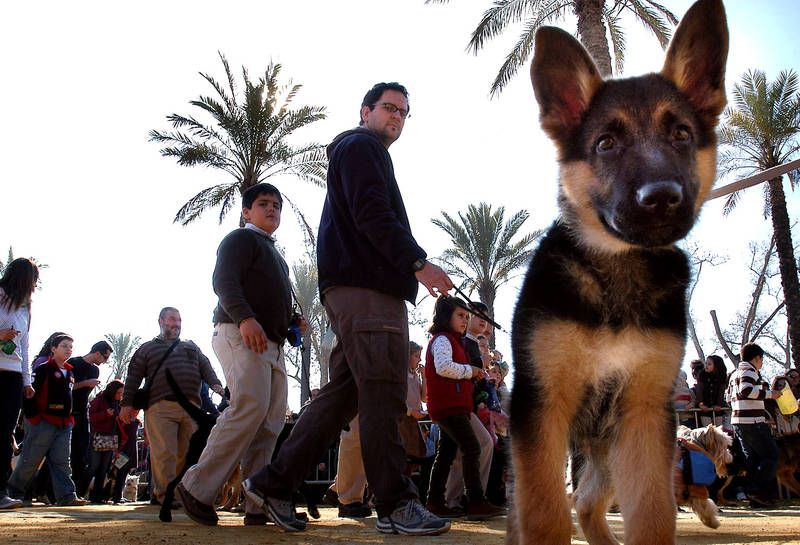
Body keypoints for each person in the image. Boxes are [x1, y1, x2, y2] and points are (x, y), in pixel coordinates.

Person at [243, 82, 453, 536]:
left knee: (344, 395)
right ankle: (396, 504)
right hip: (368, 289)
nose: (396, 117)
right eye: (389, 108)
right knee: (383, 392)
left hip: (356, 289)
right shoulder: (362, 147)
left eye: (403, 112)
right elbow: (372, 213)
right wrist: (418, 263)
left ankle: (273, 483)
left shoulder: (359, 151)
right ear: (365, 111)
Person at [178, 182, 301, 527]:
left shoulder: (274, 253)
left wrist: (292, 320)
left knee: (271, 421)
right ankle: (196, 488)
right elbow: (224, 281)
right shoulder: (240, 239)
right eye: (264, 203)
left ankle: (257, 502)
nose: (272, 209)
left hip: (271, 343)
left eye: (277, 205)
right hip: (239, 332)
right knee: (249, 407)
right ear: (246, 212)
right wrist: (245, 318)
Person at [119, 307, 223, 506]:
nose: (177, 324)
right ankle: (164, 495)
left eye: (179, 320)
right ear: (161, 321)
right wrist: (126, 404)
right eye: (172, 319)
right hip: (160, 406)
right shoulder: (147, 348)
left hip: (192, 407)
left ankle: (178, 494)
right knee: (165, 453)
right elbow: (133, 377)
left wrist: (216, 385)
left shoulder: (191, 346)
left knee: (187, 454)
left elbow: (206, 367)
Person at [424, 295, 504, 520]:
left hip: (453, 406)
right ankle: (475, 501)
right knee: (471, 448)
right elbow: (443, 367)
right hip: (448, 405)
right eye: (460, 315)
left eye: (466, 316)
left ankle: (435, 501)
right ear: (445, 316)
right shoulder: (442, 340)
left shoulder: (453, 341)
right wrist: (471, 371)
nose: (465, 320)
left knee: (447, 454)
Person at [7, 334, 87, 506]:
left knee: (62, 461)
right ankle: (14, 492)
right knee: (30, 459)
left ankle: (67, 495)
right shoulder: (43, 369)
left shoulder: (70, 372)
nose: (68, 349)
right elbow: (29, 395)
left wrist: (69, 419)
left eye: (70, 347)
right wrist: (33, 418)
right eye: (64, 346)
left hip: (64, 423)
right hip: (43, 421)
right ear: (53, 348)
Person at [0, 258, 39, 510]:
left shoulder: (26, 309)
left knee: (5, 433)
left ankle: (1, 491)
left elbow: (24, 346)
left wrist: (27, 380)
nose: (34, 286)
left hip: (13, 376)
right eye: (33, 280)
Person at [727, 342, 781, 507]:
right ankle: (756, 490)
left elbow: (728, 398)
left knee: (753, 459)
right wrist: (770, 394)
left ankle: (756, 497)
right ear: (757, 358)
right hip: (752, 422)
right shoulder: (749, 371)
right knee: (771, 455)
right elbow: (746, 390)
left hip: (738, 422)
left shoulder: (734, 374)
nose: (762, 363)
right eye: (761, 359)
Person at [68, 340, 113, 497]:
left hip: (82, 414)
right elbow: (67, 387)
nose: (105, 361)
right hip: (68, 412)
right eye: (105, 357)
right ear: (97, 353)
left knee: (81, 454)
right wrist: (86, 383)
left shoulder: (95, 370)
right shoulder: (73, 363)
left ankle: (76, 492)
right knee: (63, 452)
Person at [87, 379, 124, 503]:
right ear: (112, 391)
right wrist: (105, 414)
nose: (120, 395)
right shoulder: (99, 400)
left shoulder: (118, 403)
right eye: (118, 393)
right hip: (98, 437)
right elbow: (91, 417)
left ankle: (97, 496)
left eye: (122, 393)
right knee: (93, 466)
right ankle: (80, 491)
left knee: (104, 469)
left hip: (111, 438)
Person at [697, 354, 728, 426]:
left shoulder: (722, 376)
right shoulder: (702, 375)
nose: (706, 366)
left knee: (719, 429)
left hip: (717, 409)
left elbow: (721, 392)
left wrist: (719, 404)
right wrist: (701, 404)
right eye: (706, 363)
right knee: (707, 429)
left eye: (709, 364)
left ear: (716, 366)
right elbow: (699, 390)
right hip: (705, 409)